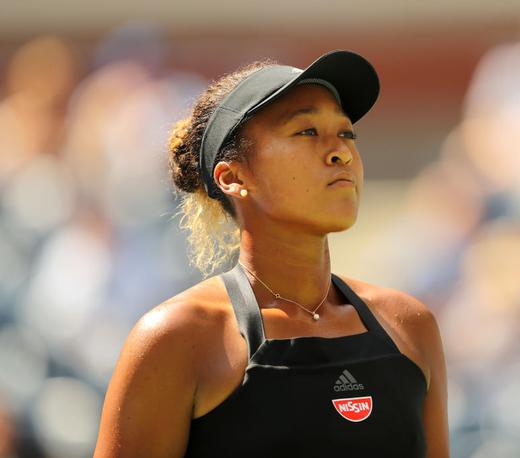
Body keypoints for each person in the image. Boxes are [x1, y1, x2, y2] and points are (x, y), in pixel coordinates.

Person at [94, 49, 449, 457]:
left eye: (347, 133)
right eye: (307, 132)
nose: (342, 152)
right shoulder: (178, 337)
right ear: (234, 177)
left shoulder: (410, 325)